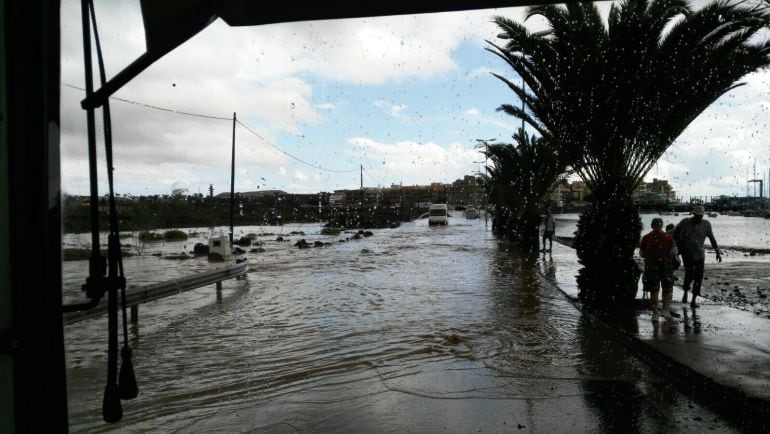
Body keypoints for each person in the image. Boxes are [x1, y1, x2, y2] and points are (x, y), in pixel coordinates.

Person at [674, 205, 722, 307]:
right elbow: (675, 234)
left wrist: (717, 251)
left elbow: (712, 238)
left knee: (699, 277)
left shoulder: (706, 224)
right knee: (689, 274)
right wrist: (679, 247)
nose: (699, 218)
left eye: (701, 216)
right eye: (697, 216)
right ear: (694, 214)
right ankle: (685, 292)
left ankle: (693, 300)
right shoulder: (685, 222)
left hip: (700, 254)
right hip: (687, 254)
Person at [640, 218, 677, 321]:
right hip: (666, 266)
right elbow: (673, 252)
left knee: (654, 290)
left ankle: (655, 313)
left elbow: (642, 254)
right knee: (667, 289)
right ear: (661, 226)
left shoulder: (646, 238)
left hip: (651, 267)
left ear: (652, 225)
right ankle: (665, 310)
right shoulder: (668, 237)